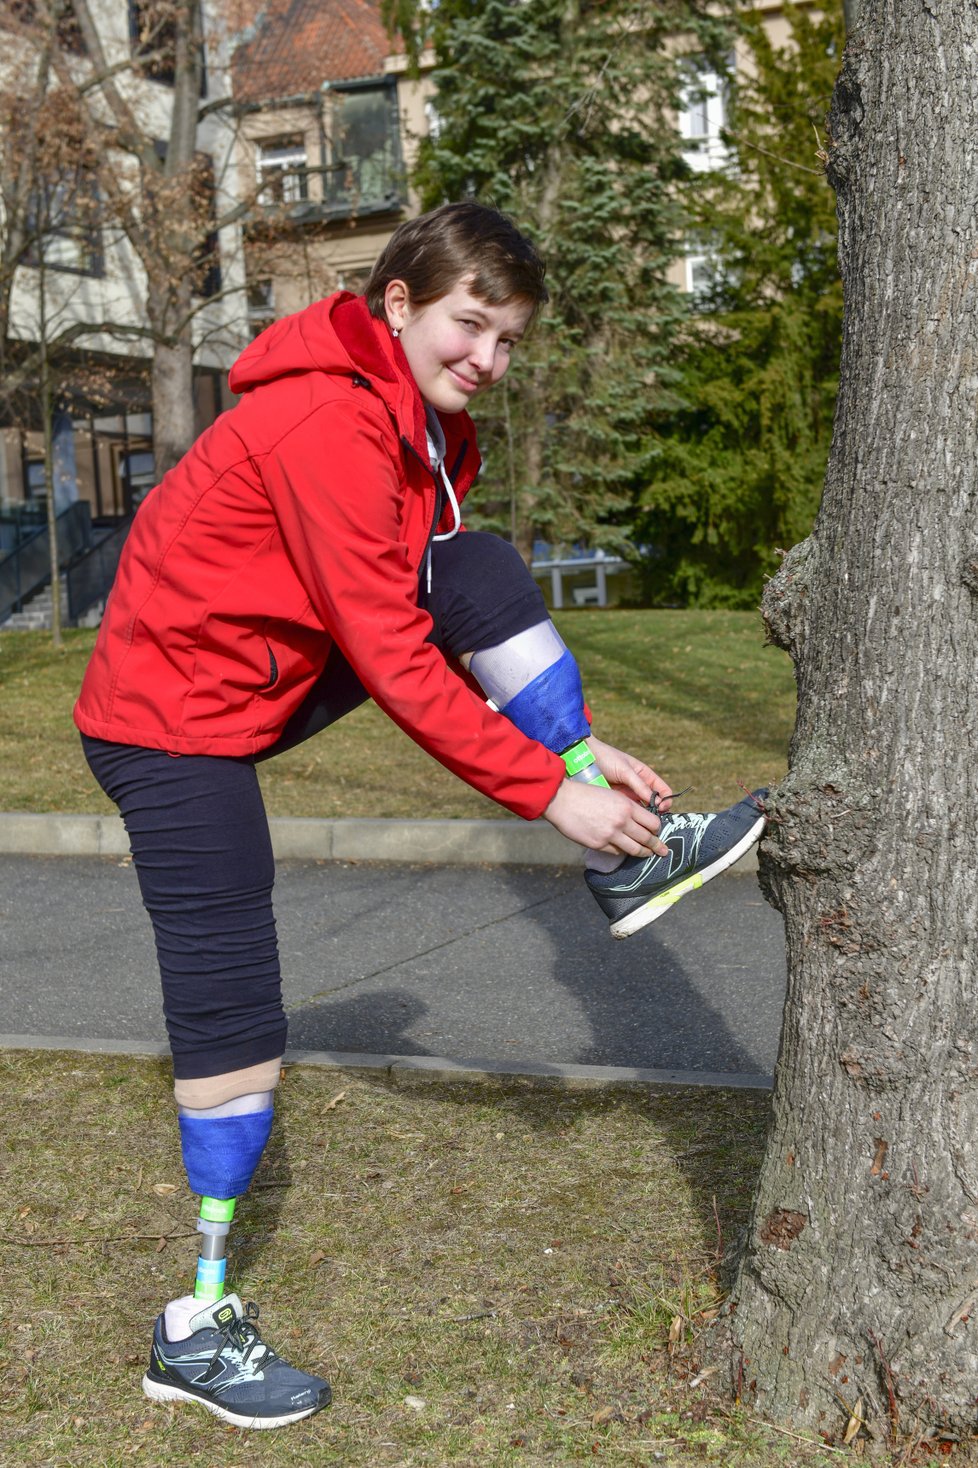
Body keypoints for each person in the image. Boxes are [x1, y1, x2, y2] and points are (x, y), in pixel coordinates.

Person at [73, 200, 766, 1430]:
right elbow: (394, 659)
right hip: (166, 719)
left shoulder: (419, 429)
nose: (487, 361)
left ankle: (627, 862)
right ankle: (198, 1321)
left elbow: (441, 607)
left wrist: (578, 749)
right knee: (233, 987)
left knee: (479, 566)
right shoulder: (330, 422)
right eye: (468, 326)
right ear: (397, 303)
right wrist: (553, 795)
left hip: (262, 677)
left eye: (507, 340)